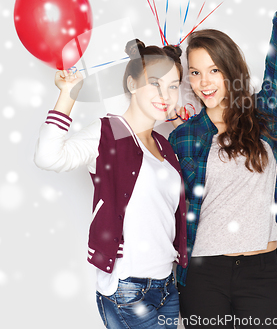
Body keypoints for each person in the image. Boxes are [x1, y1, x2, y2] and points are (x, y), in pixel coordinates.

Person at [168, 0, 277, 328]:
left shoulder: (264, 116)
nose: (204, 81)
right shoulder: (184, 136)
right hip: (203, 272)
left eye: (213, 70)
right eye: (194, 72)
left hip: (261, 271)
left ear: (231, 71)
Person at [34, 40, 188, 329]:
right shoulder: (111, 131)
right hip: (128, 287)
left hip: (167, 285)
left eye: (173, 85)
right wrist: (68, 95)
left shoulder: (164, 145)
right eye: (154, 83)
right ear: (132, 83)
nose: (165, 95)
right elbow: (48, 157)